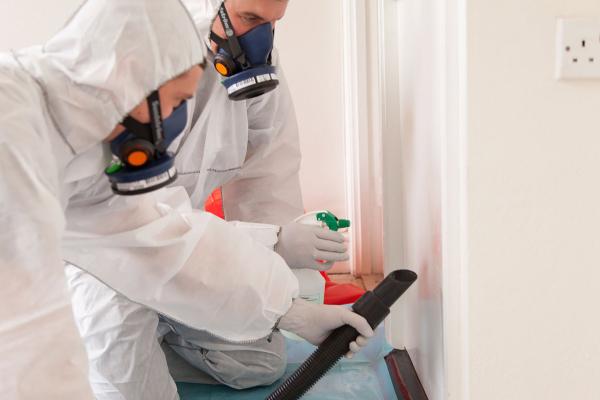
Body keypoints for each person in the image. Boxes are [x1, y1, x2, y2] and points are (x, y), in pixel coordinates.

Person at [63, 0, 373, 399]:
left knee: (255, 362)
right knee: (126, 375)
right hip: (98, 263)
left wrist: (280, 257)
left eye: (272, 23)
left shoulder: (249, 64)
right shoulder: (127, 63)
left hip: (174, 246)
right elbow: (138, 227)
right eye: (250, 19)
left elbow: (268, 169)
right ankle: (76, 350)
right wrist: (277, 262)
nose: (261, 39)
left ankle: (150, 340)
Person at [0, 1, 209, 399]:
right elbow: (27, 340)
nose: (177, 120)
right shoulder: (12, 129)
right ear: (132, 74)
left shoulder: (80, 138)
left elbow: (152, 236)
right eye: (177, 101)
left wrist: (284, 304)